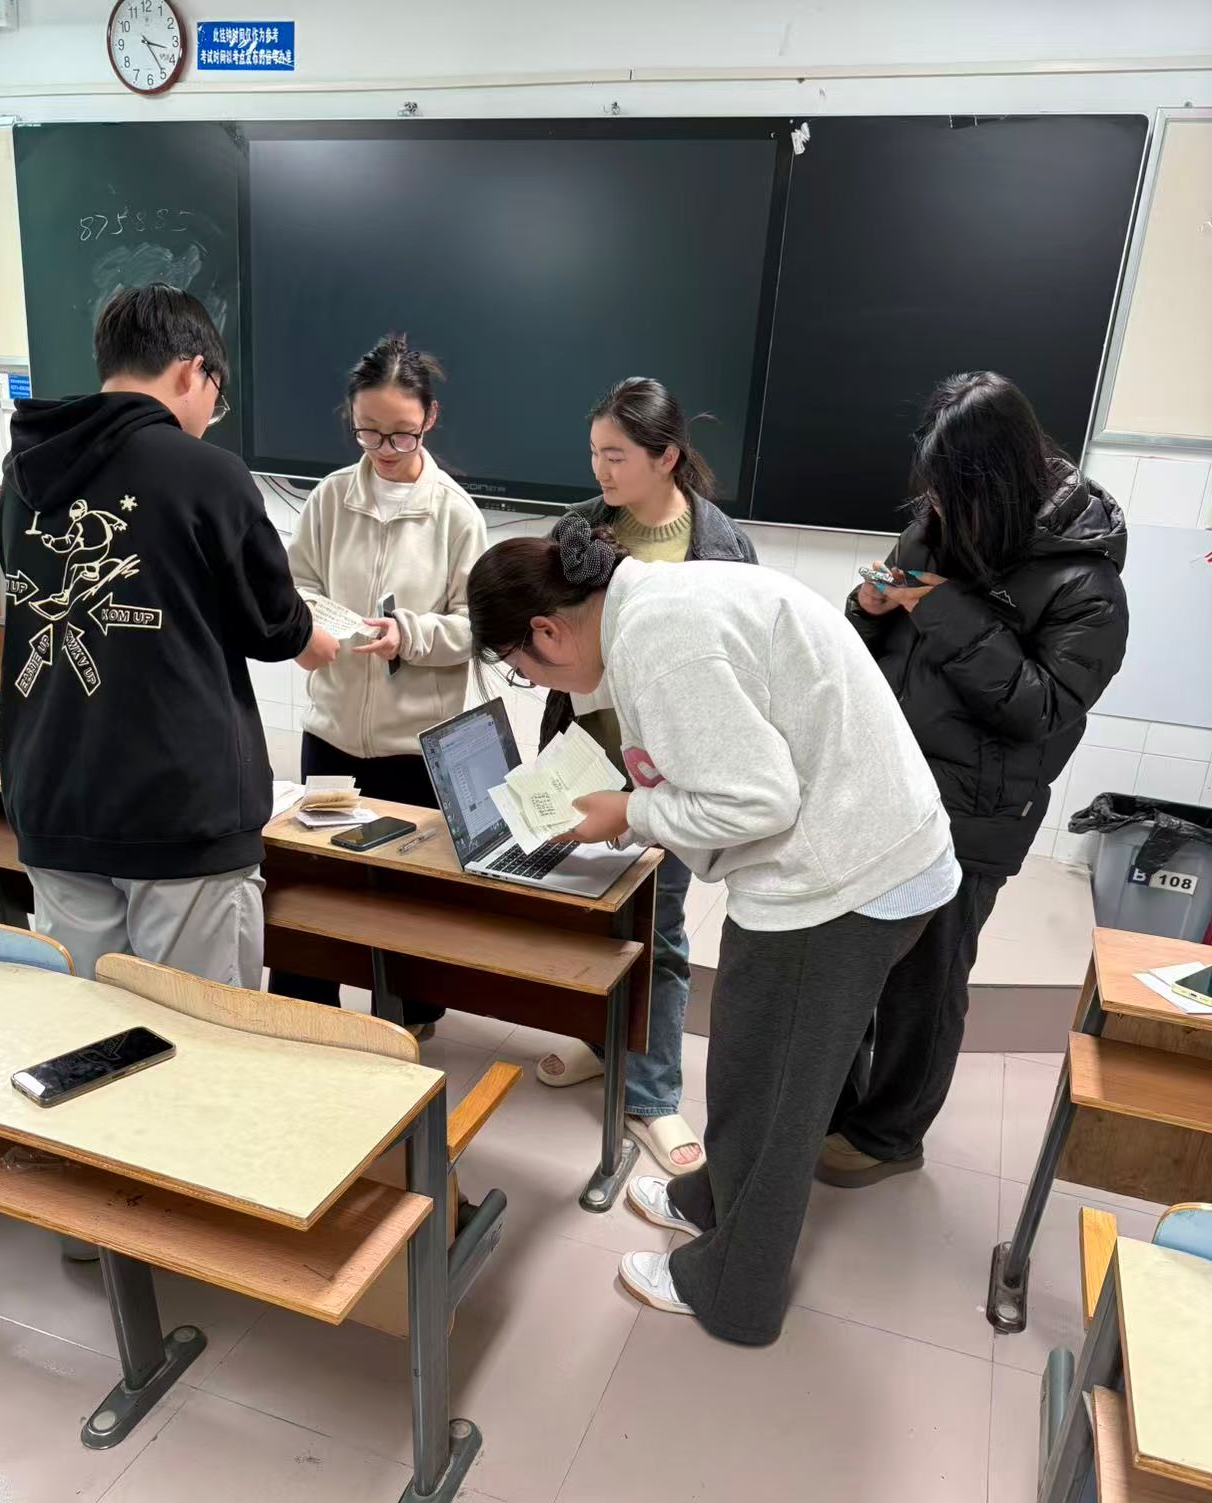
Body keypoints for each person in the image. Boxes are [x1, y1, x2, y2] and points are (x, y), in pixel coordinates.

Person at [467, 513, 958, 1346]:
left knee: (772, 1093)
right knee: (744, 1062)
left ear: (548, 631)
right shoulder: (655, 604)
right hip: (857, 849)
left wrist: (629, 812)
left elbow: (758, 801)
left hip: (844, 875)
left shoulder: (660, 642)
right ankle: (711, 1198)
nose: (534, 681)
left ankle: (736, 1292)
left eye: (521, 669)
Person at [816, 372, 1128, 1189]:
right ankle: (835, 1106)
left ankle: (890, 1137)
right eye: (932, 489)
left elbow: (1041, 708)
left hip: (973, 815)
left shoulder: (1087, 583)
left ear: (999, 480)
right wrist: (865, 607)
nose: (935, 507)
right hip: (884, 790)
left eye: (951, 491)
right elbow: (875, 645)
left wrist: (940, 606)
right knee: (852, 959)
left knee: (925, 981)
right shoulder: (936, 528)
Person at [0, 283, 334, 988]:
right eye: (217, 396)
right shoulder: (208, 473)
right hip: (181, 807)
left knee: (87, 1028)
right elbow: (274, 625)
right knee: (198, 1030)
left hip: (54, 795)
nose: (211, 415)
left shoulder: (21, 479)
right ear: (192, 370)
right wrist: (319, 642)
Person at [534, 378, 757, 1176]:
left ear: (666, 457)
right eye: (595, 453)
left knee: (659, 930)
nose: (601, 470)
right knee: (590, 915)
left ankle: (655, 1095)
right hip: (586, 751)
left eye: (617, 455)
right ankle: (603, 1041)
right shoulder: (578, 528)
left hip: (671, 770)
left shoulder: (721, 545)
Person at [268, 334, 487, 1031]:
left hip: (413, 747)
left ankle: (409, 1019)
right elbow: (297, 585)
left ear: (430, 418)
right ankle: (309, 1022)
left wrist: (410, 635)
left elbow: (477, 627)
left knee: (405, 901)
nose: (384, 448)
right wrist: (306, 630)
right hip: (332, 734)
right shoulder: (332, 497)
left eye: (400, 433)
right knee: (315, 890)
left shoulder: (455, 513)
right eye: (368, 431)